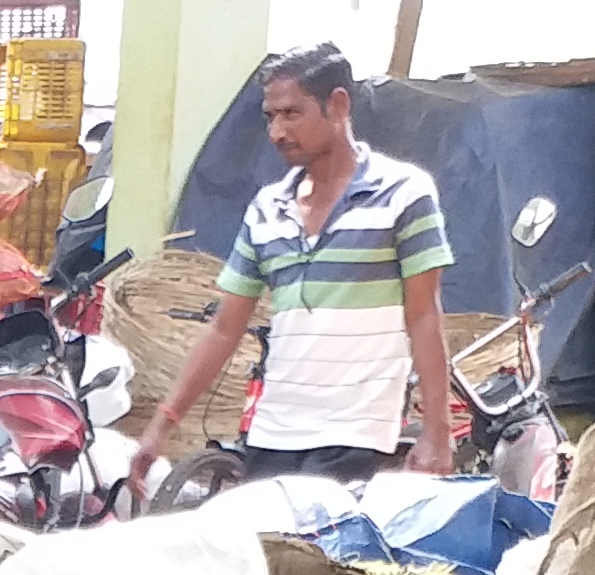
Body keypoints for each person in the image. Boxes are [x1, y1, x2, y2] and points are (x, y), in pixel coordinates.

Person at [144, 45, 456, 484]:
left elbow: (424, 315)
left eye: (292, 113)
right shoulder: (267, 208)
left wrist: (437, 433)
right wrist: (161, 425)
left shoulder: (404, 193)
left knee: (311, 548)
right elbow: (224, 328)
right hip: (273, 431)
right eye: (270, 116)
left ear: (339, 105)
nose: (277, 132)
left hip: (356, 432)